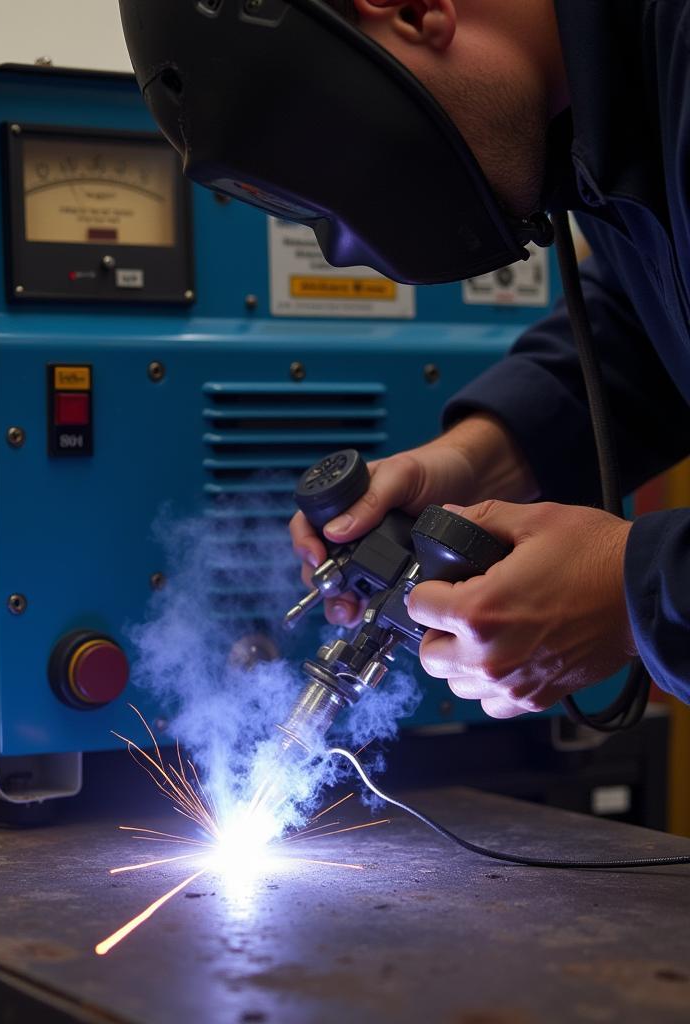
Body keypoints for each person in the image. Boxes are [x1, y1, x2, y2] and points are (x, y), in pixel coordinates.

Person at [290, 0, 690, 718]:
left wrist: (634, 589)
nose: (352, 244)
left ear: (414, 9)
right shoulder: (610, 102)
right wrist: (473, 459)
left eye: (344, 168)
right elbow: (654, 313)